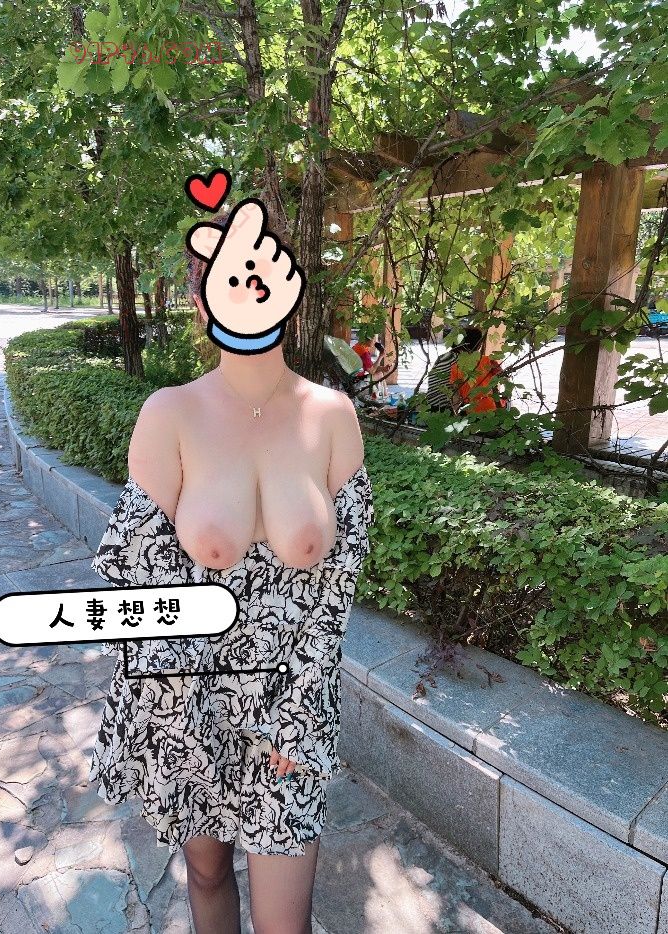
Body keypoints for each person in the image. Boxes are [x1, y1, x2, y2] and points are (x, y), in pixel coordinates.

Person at [88, 209, 375, 934]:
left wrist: (293, 714)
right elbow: (137, 578)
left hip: (292, 702)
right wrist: (177, 716)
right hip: (188, 700)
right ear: (199, 300)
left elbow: (336, 592)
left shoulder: (333, 415)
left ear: (291, 288)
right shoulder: (170, 413)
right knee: (208, 874)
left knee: (285, 921)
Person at [448, 327, 507, 414]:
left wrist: (457, 412)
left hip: (470, 410)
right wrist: (505, 396)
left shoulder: (456, 366)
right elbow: (504, 378)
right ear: (479, 345)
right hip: (490, 408)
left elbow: (455, 394)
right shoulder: (489, 361)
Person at [426, 326, 483, 412]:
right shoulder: (462, 361)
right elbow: (465, 390)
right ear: (475, 344)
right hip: (447, 408)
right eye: (480, 344)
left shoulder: (443, 357)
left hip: (432, 405)